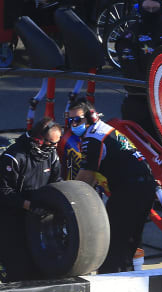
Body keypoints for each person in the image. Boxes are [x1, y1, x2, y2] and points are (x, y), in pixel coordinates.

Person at [66, 99, 157, 273]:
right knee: (130, 241)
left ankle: (111, 282)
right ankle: (130, 277)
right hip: (146, 187)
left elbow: (85, 178)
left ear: (91, 117)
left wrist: (66, 198)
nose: (73, 125)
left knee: (112, 244)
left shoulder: (93, 138)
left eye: (77, 120)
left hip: (129, 192)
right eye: (70, 121)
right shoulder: (107, 130)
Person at [0, 117, 63, 282]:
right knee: (17, 265)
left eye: (57, 143)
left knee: (39, 262)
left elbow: (56, 183)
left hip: (32, 211)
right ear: (38, 140)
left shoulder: (53, 156)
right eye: (51, 143)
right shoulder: (13, 157)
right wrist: (28, 205)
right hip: (6, 213)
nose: (55, 147)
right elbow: (2, 190)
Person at [114, 0, 162, 141]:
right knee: (132, 149)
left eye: (154, 8)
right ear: (139, 8)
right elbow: (131, 76)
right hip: (140, 102)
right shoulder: (129, 36)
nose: (151, 11)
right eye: (147, 8)